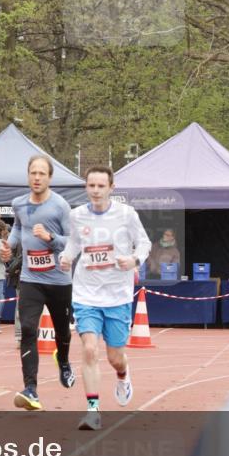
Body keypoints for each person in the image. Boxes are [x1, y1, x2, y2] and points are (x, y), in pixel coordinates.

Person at [59, 165, 152, 431]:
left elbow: (145, 243)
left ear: (111, 188)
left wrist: (133, 259)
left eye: (101, 186)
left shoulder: (126, 214)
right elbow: (74, 244)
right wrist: (66, 257)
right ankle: (92, 410)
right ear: (86, 187)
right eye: (91, 186)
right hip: (86, 293)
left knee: (114, 357)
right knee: (89, 349)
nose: (96, 191)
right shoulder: (76, 215)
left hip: (117, 295)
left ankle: (123, 375)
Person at [2, 154, 75, 411]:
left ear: (50, 178)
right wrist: (8, 247)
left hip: (58, 280)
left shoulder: (60, 206)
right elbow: (17, 229)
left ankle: (63, 360)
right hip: (30, 277)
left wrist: (50, 237)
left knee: (62, 331)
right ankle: (30, 388)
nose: (37, 177)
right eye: (33, 172)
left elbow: (72, 241)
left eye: (42, 173)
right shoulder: (19, 204)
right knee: (29, 330)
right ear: (28, 175)